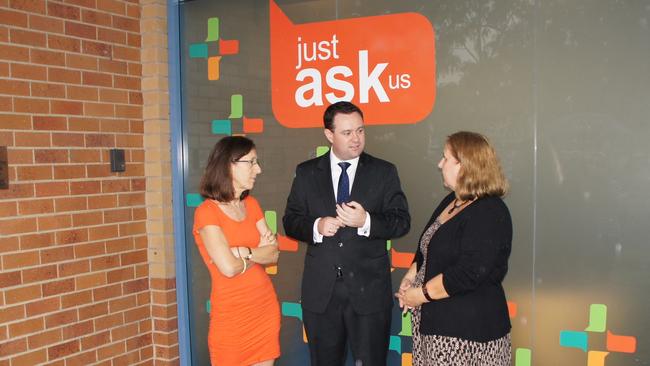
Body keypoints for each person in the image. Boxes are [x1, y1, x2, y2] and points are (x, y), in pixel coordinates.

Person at [283, 101, 411, 366]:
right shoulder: (306, 172)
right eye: (347, 132)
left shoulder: (384, 172)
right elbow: (291, 221)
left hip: (369, 294)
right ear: (329, 135)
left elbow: (401, 222)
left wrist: (366, 220)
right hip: (321, 294)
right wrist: (316, 226)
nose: (356, 139)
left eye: (361, 131)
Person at [395, 131, 512, 365]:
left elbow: (469, 272)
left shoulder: (489, 211)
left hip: (468, 334)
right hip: (434, 327)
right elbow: (425, 248)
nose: (440, 164)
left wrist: (420, 295)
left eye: (446, 158)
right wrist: (410, 278)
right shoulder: (451, 201)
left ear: (465, 166)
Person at [193, 136, 280, 366]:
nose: (258, 169)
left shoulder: (252, 205)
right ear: (229, 165)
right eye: (251, 162)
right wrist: (255, 252)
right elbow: (228, 268)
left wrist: (243, 252)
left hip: (264, 309)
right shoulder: (206, 212)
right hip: (231, 319)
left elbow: (273, 254)